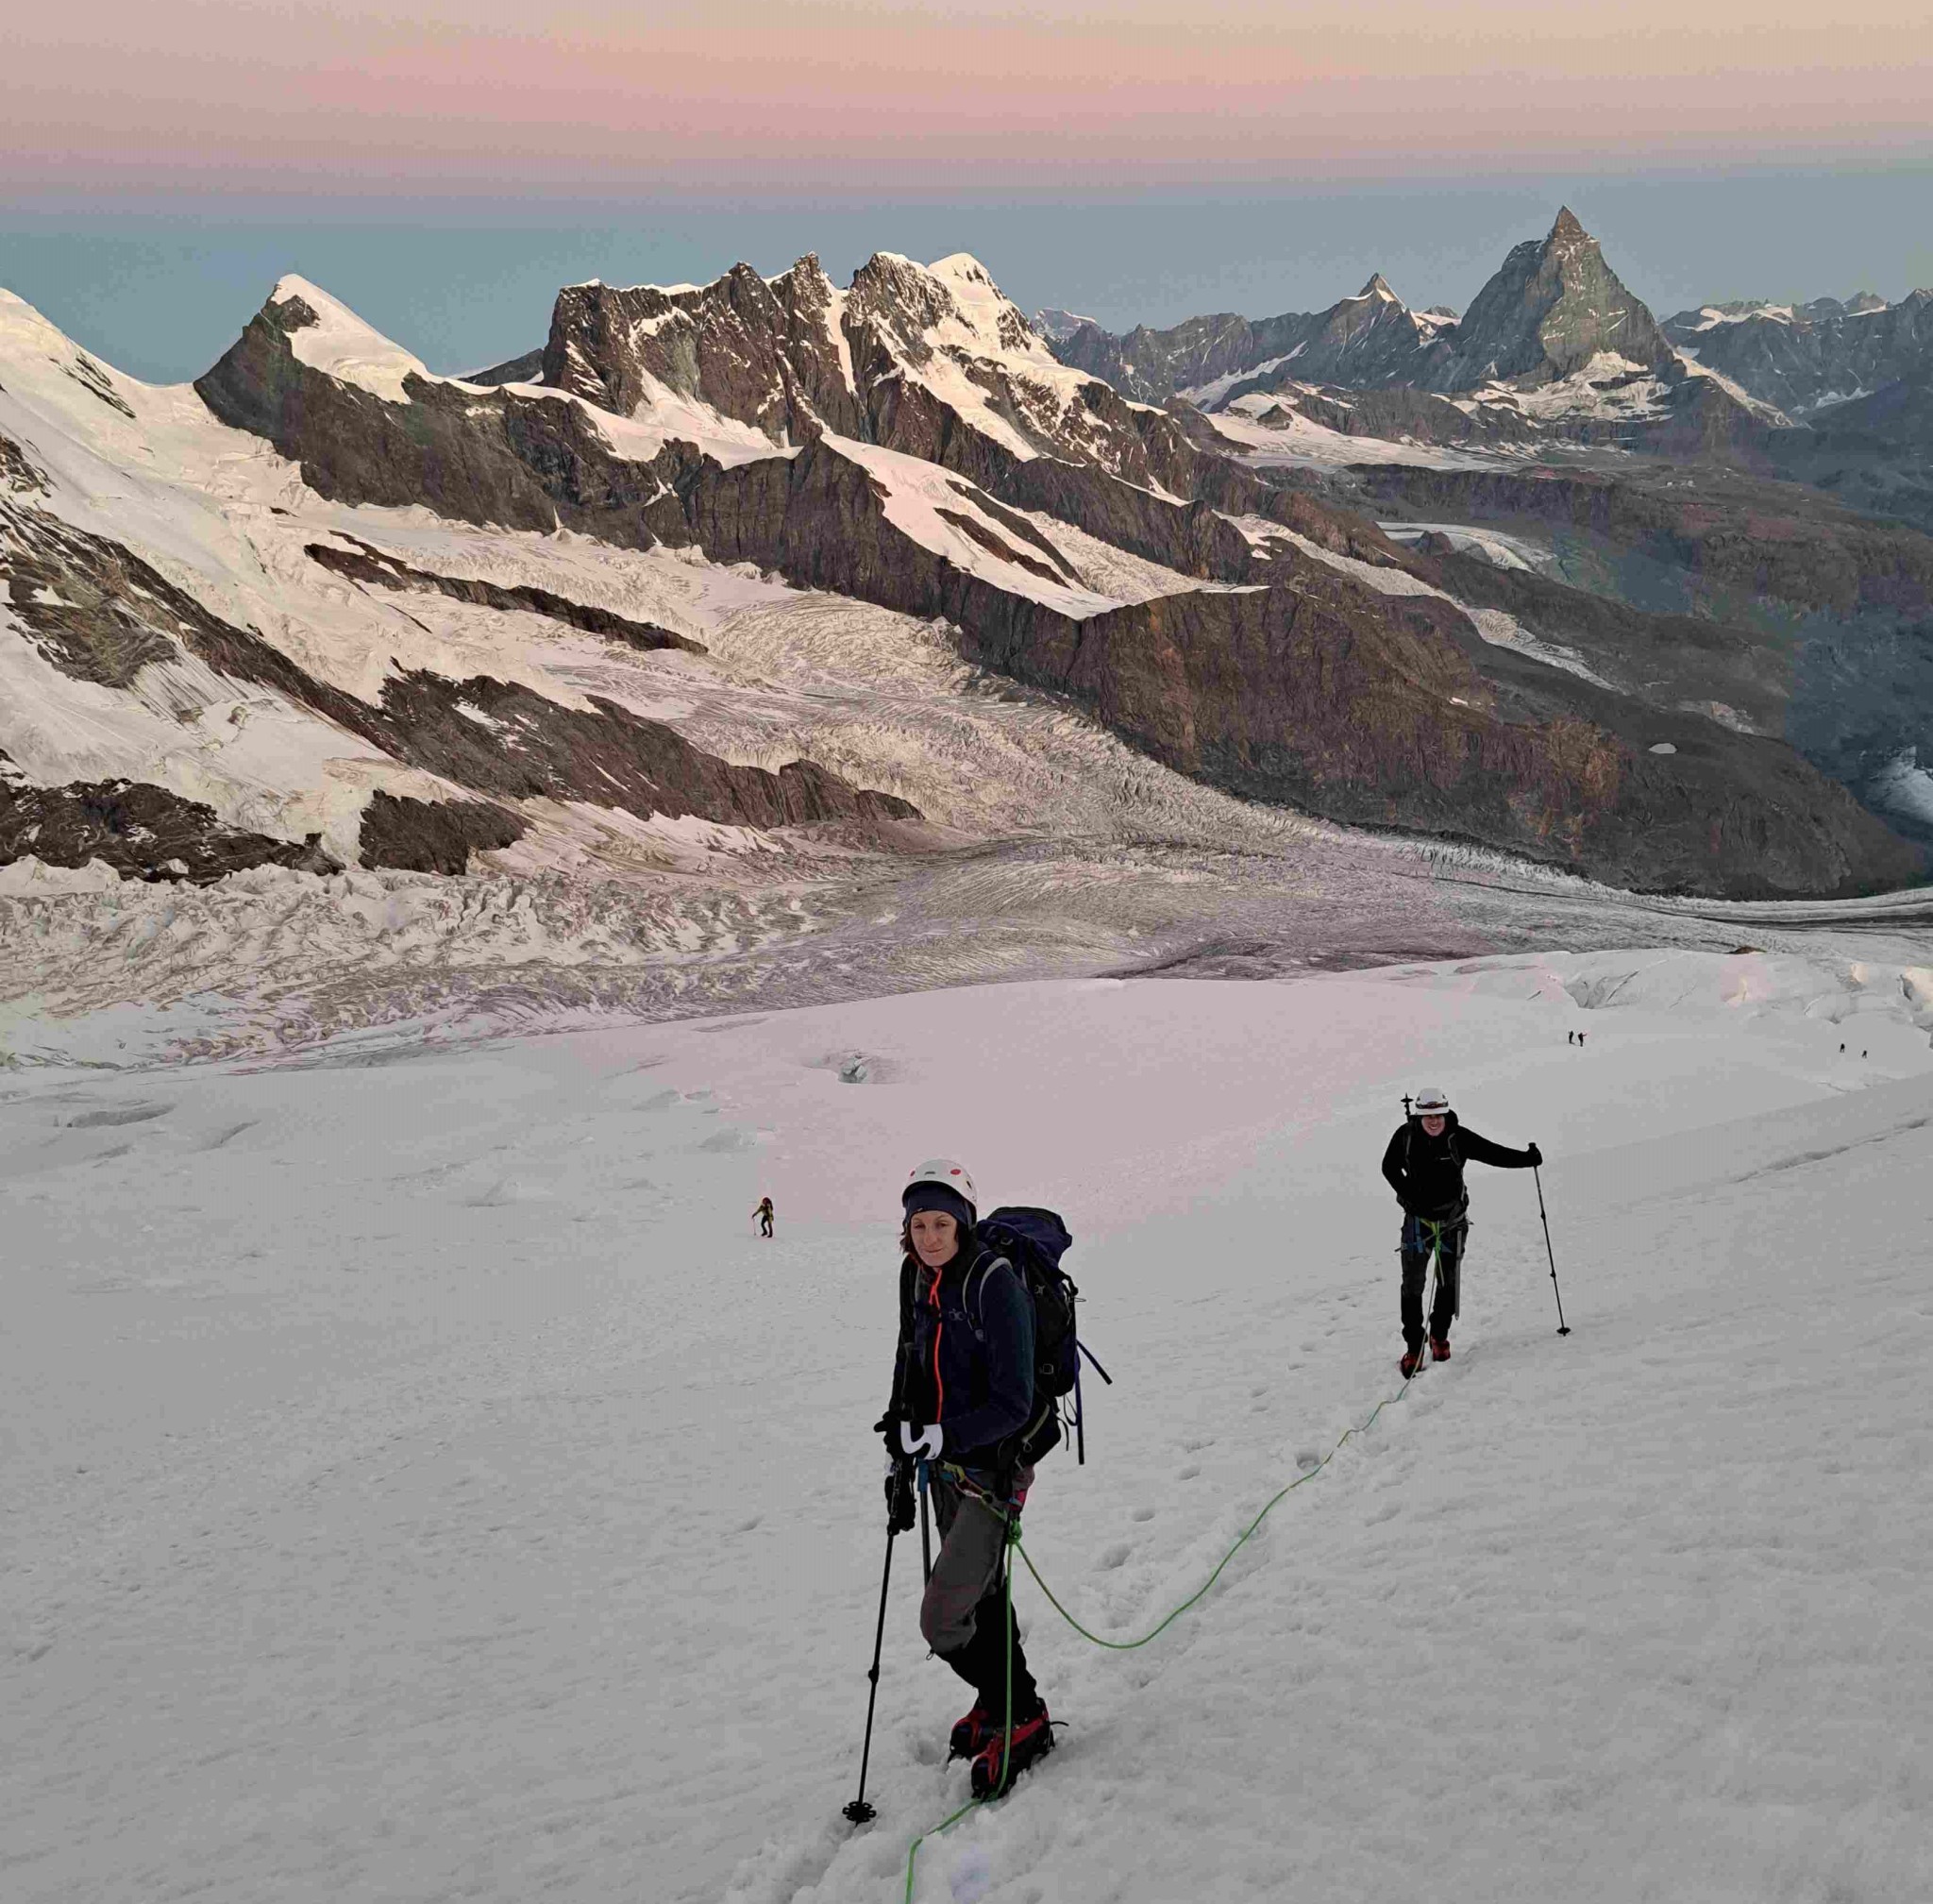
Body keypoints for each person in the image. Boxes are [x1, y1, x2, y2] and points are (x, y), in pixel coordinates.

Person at [875, 1159, 1055, 1797]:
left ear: (964, 1221)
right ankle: (1002, 1704)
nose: (928, 1235)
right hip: (942, 1464)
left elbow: (1015, 1400)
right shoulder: (915, 1276)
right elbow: (909, 1362)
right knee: (981, 1594)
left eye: (941, 1221)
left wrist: (942, 1436)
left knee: (943, 1617)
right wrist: (902, 1446)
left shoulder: (994, 1282)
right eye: (918, 1223)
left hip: (997, 1465)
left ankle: (1022, 1708)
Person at [1380, 1088, 1540, 1377]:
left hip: (1452, 1223)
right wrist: (1409, 1194)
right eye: (1427, 1115)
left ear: (1445, 1113)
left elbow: (1493, 1153)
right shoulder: (1405, 1136)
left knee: (1447, 1282)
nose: (1433, 1121)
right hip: (1417, 1225)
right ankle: (1414, 1347)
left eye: (1438, 1115)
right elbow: (1389, 1167)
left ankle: (1438, 1336)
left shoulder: (1458, 1136)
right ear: (1419, 1115)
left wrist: (1527, 1159)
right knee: (1413, 1286)